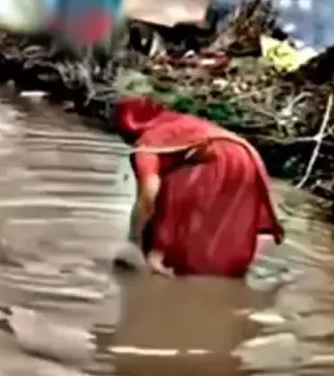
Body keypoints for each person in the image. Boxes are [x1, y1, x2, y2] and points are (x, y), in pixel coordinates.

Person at [115, 97, 283, 277]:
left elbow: (149, 193)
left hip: (218, 159)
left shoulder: (148, 141)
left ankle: (159, 261)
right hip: (249, 157)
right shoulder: (177, 123)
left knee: (169, 188)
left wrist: (133, 240)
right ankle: (218, 273)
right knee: (220, 218)